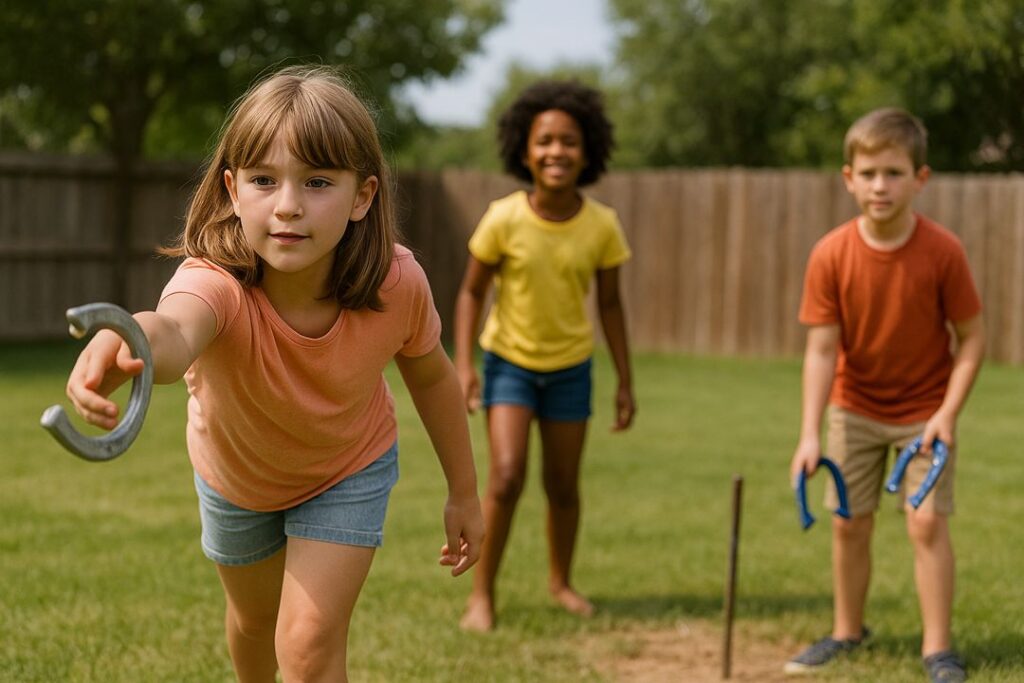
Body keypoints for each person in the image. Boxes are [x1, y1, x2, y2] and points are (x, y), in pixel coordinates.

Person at [64, 65, 483, 683]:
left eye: (317, 181)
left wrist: (464, 491)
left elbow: (432, 378)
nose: (287, 206)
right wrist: (125, 334)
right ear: (234, 191)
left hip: (348, 469)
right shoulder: (216, 279)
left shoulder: (398, 284)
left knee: (308, 643)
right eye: (264, 180)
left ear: (362, 196)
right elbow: (175, 332)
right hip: (237, 477)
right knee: (255, 624)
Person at [786, 108, 985, 683]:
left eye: (894, 172)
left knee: (924, 523)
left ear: (920, 179)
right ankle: (847, 632)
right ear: (848, 177)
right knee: (849, 522)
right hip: (855, 407)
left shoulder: (943, 252)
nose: (881, 186)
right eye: (869, 172)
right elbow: (821, 351)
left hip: (926, 412)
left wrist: (948, 414)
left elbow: (973, 339)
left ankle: (938, 650)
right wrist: (807, 435)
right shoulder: (830, 254)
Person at [454, 80, 636, 632]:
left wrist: (625, 382)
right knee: (506, 476)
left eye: (569, 141)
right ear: (524, 150)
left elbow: (610, 305)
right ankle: (481, 596)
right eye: (545, 140)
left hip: (571, 371)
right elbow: (470, 293)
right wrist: (464, 365)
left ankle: (560, 583)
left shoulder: (601, 224)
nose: (557, 151)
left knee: (562, 485)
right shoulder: (503, 217)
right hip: (509, 364)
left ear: (589, 151)